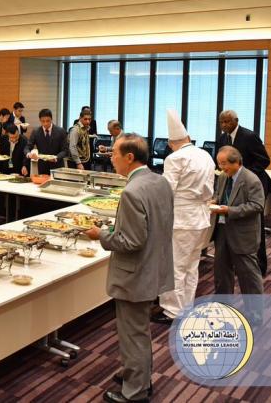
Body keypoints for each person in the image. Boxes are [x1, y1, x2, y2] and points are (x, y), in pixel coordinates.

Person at [84, 134, 173, 403]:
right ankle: (138, 375)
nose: (110, 158)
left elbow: (131, 241)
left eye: (114, 154)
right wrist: (115, 228)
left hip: (135, 274)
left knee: (133, 334)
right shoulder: (160, 181)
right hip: (153, 267)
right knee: (139, 331)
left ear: (129, 157)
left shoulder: (133, 191)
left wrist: (100, 234)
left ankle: (135, 392)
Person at [154, 111, 215, 324]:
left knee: (175, 267)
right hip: (201, 218)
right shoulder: (205, 155)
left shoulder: (175, 158)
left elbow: (166, 191)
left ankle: (172, 311)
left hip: (181, 219)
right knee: (191, 266)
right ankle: (186, 306)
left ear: (171, 143)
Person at [218, 110, 270, 276]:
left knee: (255, 225)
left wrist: (244, 175)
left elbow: (264, 160)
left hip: (253, 184)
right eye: (221, 122)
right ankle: (234, 263)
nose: (224, 125)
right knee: (234, 225)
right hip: (231, 186)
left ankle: (260, 266)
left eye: (227, 122)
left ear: (236, 121)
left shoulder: (249, 136)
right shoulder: (222, 139)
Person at [212, 146, 264, 296]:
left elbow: (257, 206)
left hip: (243, 236)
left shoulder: (251, 179)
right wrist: (214, 200)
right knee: (221, 274)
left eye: (224, 163)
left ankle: (254, 314)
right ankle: (223, 308)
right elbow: (219, 194)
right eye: (219, 163)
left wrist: (229, 211)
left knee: (249, 278)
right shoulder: (222, 177)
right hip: (222, 232)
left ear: (237, 162)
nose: (221, 168)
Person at [27, 109, 69, 175]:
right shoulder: (36, 132)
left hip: (57, 166)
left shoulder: (61, 131)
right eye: (43, 121)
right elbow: (28, 146)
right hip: (42, 167)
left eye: (48, 121)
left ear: (51, 119)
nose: (45, 123)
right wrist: (29, 154)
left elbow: (65, 150)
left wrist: (56, 158)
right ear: (40, 120)